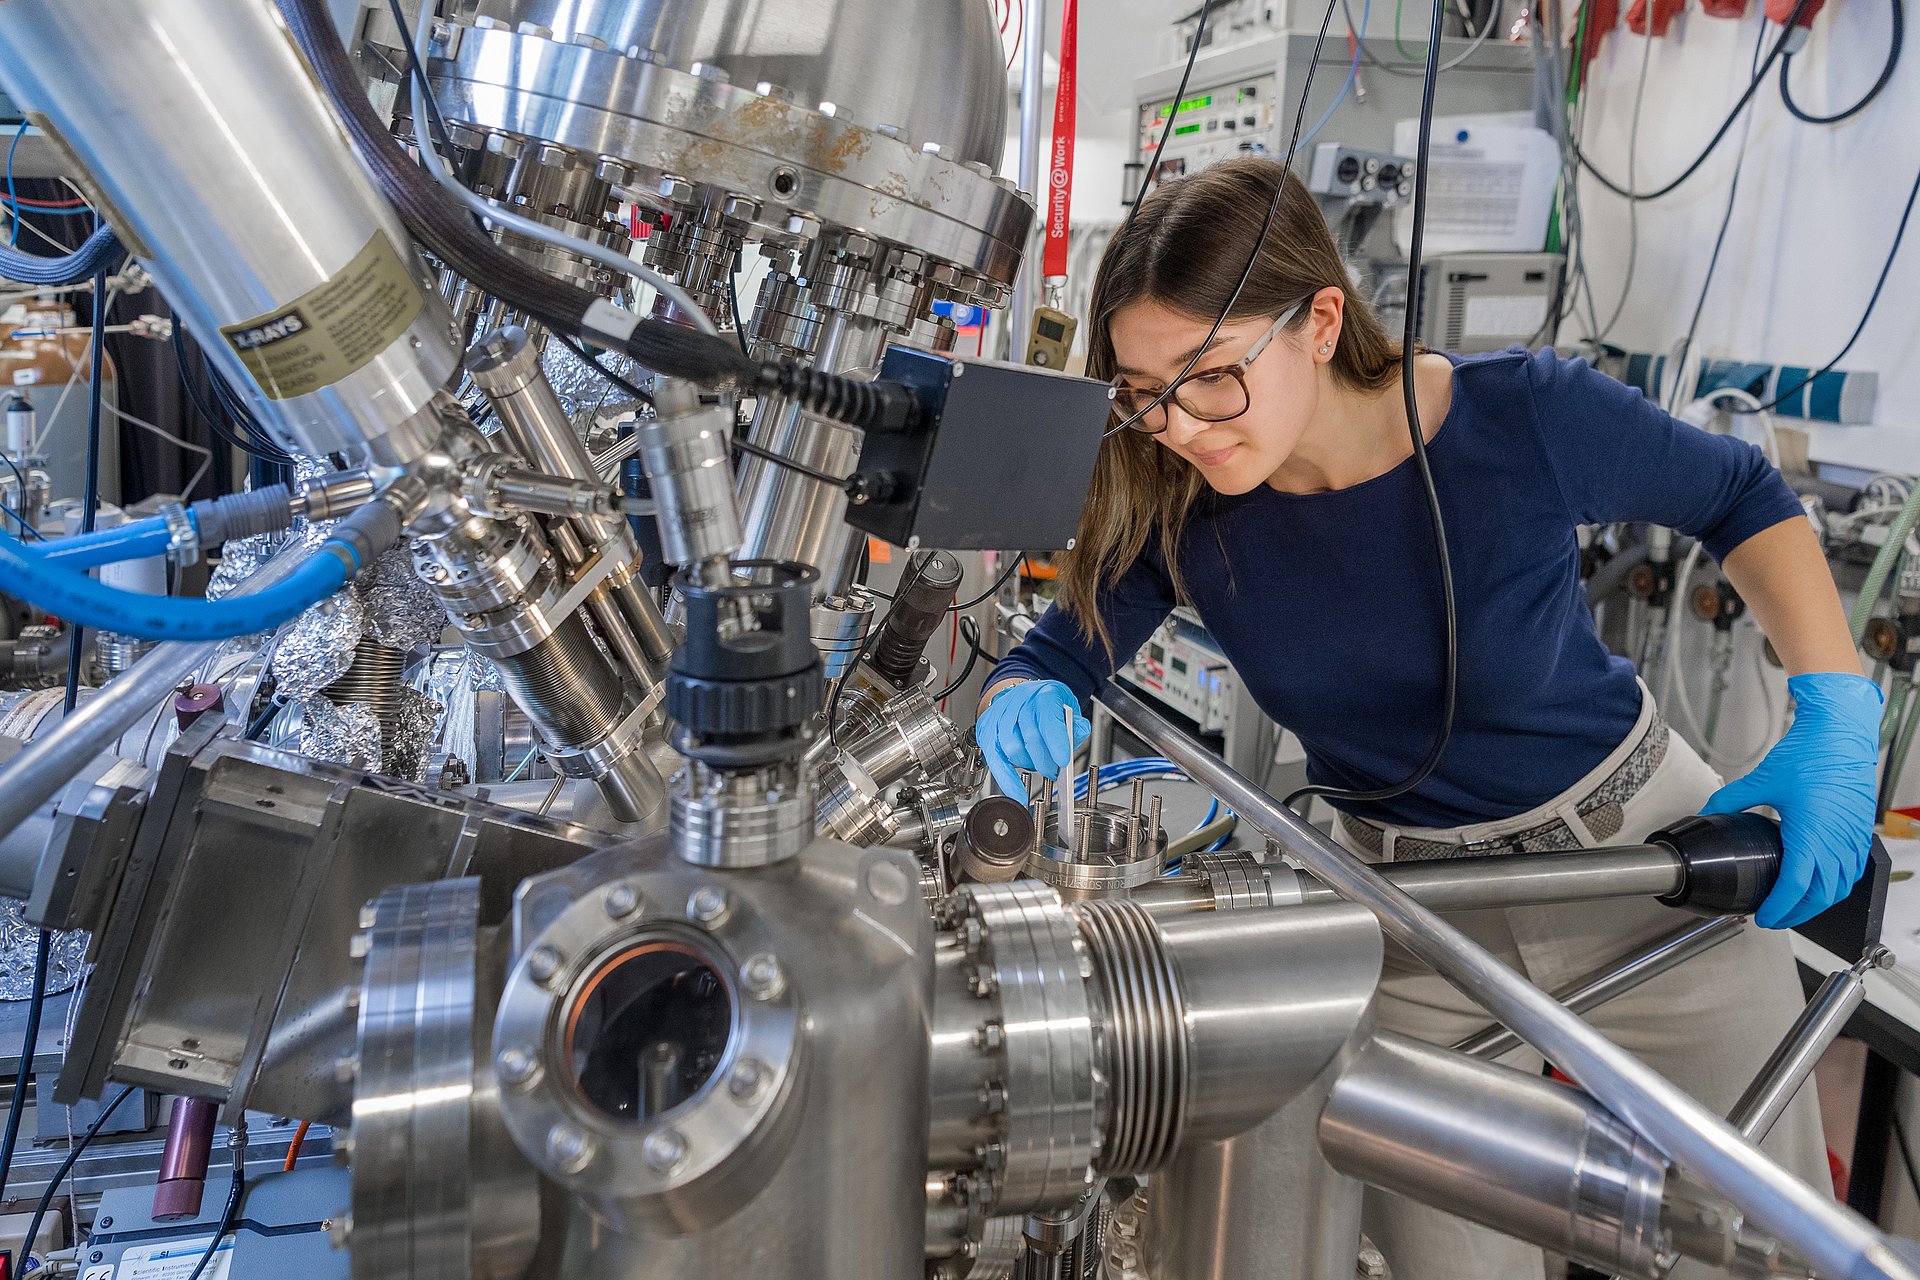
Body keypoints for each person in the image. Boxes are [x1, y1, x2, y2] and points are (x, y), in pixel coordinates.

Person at [976, 157, 1881, 1280]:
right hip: (1413, 911)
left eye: (1209, 375)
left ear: (1317, 320)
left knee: (1755, 1245)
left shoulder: (1523, 416)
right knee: (1442, 1254)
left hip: (1639, 874)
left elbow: (1741, 493)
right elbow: (1064, 649)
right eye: (1139, 389)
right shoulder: (1177, 499)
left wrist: (1836, 710)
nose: (1175, 423)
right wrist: (1030, 690)